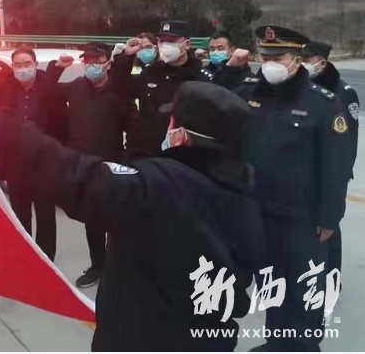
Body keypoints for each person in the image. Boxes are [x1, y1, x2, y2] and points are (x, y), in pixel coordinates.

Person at [0, 73, 264, 351]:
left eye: (170, 120)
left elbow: (66, 171)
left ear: (180, 136)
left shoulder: (158, 189)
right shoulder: (244, 193)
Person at [231, 26, 349, 352]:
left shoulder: (322, 103)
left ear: (297, 60)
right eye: (264, 56)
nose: (269, 63)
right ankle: (277, 342)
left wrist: (329, 217)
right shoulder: (250, 92)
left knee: (304, 290)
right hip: (259, 213)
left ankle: (305, 346)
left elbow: (335, 166)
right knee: (271, 284)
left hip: (302, 219)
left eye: (278, 57)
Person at [50, 42, 140, 288]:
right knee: (93, 221)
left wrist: (129, 161)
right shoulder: (77, 87)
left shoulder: (119, 91)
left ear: (107, 63)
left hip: (112, 166)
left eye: (96, 61)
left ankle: (120, 269)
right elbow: (47, 90)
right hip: (83, 167)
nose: (91, 66)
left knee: (117, 222)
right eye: (87, 61)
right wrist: (56, 68)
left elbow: (134, 127)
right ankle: (97, 266)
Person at [0, 47, 72, 262]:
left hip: (44, 161)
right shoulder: (5, 88)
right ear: (12, 67)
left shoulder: (48, 89)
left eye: (27, 64)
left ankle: (47, 260)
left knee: (46, 215)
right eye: (18, 65)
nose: (23, 69)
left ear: (35, 65)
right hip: (15, 162)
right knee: (20, 214)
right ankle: (26, 257)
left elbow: (62, 122)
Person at [115, 20, 214, 158]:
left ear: (187, 44)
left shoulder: (202, 78)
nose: (165, 45)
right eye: (162, 40)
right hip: (146, 155)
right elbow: (121, 88)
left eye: (171, 41)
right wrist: (127, 57)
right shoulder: (151, 72)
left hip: (183, 157)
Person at [302, 41, 359, 276]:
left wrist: (342, 174)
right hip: (307, 170)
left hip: (333, 169)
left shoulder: (343, 92)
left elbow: (349, 139)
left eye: (307, 60)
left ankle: (332, 277)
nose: (302, 64)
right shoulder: (303, 88)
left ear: (322, 62)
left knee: (329, 226)